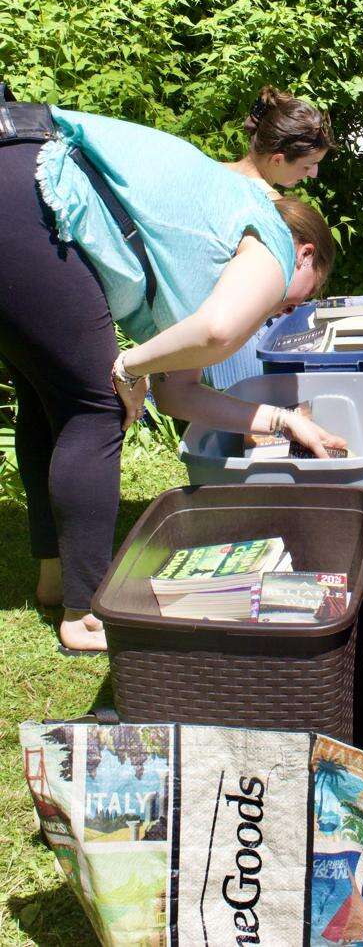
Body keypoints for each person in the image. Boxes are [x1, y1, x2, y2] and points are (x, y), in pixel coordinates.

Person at [0, 90, 344, 652]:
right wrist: (129, 367)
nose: (291, 308)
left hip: (17, 174)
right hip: (31, 189)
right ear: (305, 254)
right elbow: (214, 332)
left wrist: (283, 421)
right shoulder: (275, 238)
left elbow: (178, 394)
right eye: (310, 290)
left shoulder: (223, 211)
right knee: (98, 406)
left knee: (50, 397)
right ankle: (85, 616)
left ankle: (54, 577)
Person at [226, 85, 332, 200]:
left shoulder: (205, 169)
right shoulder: (271, 211)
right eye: (307, 167)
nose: (313, 174)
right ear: (277, 160)